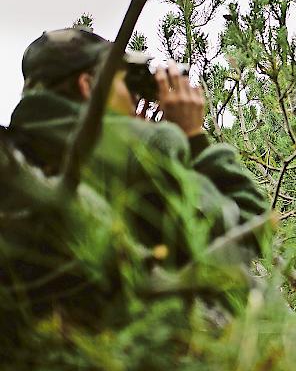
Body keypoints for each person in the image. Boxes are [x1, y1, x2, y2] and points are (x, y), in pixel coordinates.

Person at [6, 27, 267, 262]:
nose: (133, 97)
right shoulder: (141, 147)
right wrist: (192, 136)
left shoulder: (15, 153)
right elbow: (250, 232)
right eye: (124, 83)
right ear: (88, 86)